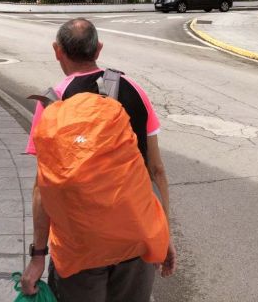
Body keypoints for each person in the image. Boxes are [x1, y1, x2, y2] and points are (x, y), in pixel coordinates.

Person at [20, 18, 176, 301]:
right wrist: (164, 236)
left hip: (80, 246)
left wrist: (38, 256)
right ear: (98, 48)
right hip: (135, 238)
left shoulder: (53, 102)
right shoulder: (135, 91)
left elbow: (43, 187)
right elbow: (156, 170)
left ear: (57, 50)